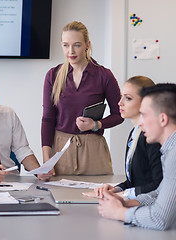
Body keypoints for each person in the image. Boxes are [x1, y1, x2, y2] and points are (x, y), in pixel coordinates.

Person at [41, 21, 123, 175]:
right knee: (61, 197)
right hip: (60, 149)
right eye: (66, 45)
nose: (70, 51)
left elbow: (119, 115)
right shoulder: (53, 75)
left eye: (77, 45)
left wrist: (97, 124)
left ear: (87, 44)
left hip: (93, 149)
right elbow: (47, 119)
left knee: (98, 197)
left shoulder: (104, 75)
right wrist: (47, 159)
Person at [97, 83, 176, 230]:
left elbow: (160, 219)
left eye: (144, 115)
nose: (140, 122)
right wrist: (125, 202)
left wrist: (119, 212)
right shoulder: (170, 149)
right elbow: (159, 193)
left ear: (163, 119)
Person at [84, 76, 162, 199]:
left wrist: (123, 195)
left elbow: (158, 185)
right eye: (121, 96)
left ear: (145, 102)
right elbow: (136, 182)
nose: (120, 103)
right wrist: (115, 189)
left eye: (128, 98)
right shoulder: (134, 133)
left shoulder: (152, 137)